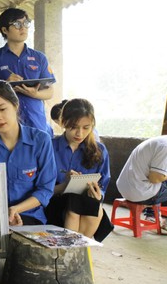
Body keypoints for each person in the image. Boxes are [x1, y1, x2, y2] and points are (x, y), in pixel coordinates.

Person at [0, 80, 56, 283]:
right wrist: (0, 214)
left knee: (22, 264)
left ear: (15, 105)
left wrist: (15, 210)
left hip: (29, 214)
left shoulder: (40, 140)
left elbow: (45, 189)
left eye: (2, 109)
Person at [0, 8, 55, 135]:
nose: (23, 28)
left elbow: (50, 91)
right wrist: (4, 85)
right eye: (17, 24)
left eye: (26, 23)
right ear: (4, 30)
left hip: (36, 123)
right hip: (4, 126)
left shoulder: (39, 58)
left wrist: (34, 94)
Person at [45, 99, 111, 240]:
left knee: (92, 205)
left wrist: (98, 194)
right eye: (74, 127)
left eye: (86, 127)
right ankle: (77, 250)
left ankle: (73, 247)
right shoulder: (49, 147)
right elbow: (41, 188)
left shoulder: (99, 150)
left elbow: (103, 185)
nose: (79, 133)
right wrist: (65, 185)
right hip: (54, 203)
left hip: (87, 206)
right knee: (79, 204)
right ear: (63, 122)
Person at [116, 119, 167, 236]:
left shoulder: (162, 141)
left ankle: (152, 215)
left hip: (126, 189)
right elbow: (155, 178)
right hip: (140, 193)